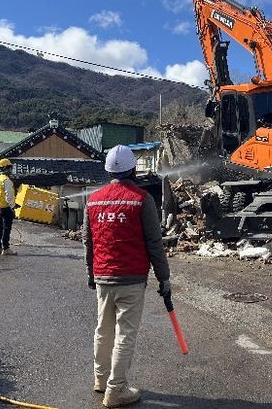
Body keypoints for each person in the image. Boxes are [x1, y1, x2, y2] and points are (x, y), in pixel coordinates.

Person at [83, 145, 170, 408]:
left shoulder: (93, 200)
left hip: (103, 276)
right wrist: (164, 278)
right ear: (133, 170)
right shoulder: (142, 199)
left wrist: (91, 273)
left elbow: (88, 242)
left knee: (103, 329)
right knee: (125, 334)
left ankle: (101, 380)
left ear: (109, 171)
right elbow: (154, 243)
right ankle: (116, 389)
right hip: (131, 278)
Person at [0, 158, 17, 256]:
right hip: (6, 207)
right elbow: (9, 196)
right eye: (10, 167)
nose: (11, 169)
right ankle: (6, 248)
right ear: (6, 168)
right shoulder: (7, 180)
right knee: (6, 228)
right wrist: (13, 207)